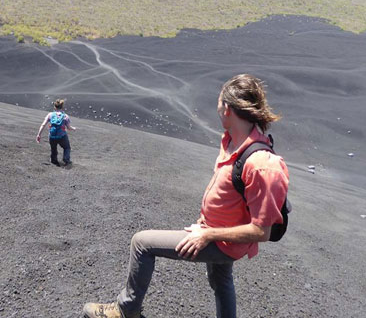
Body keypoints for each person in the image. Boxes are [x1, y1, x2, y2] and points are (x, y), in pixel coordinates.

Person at [82, 74, 289, 318]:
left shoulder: (261, 165)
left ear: (228, 110)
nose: (217, 108)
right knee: (221, 279)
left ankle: (125, 309)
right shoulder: (233, 141)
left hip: (222, 241)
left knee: (142, 243)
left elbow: (261, 232)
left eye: (219, 102)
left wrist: (207, 234)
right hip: (217, 231)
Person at [36, 99, 76, 166]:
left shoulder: (50, 114)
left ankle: (54, 160)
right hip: (62, 136)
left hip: (52, 136)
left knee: (53, 148)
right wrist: (73, 128)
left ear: (54, 107)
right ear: (62, 107)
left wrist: (39, 134)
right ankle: (66, 159)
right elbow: (69, 127)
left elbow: (43, 124)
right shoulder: (65, 116)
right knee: (67, 147)